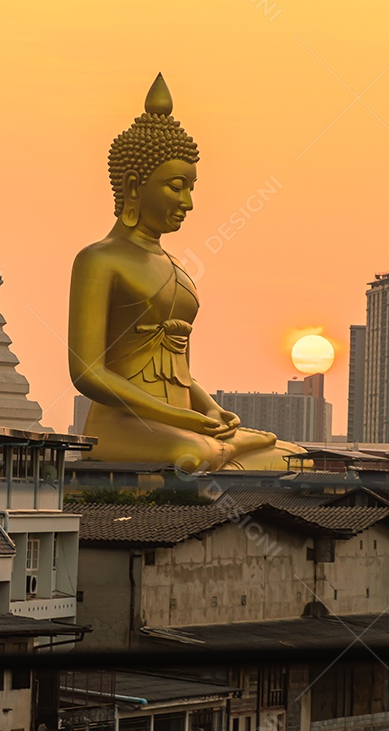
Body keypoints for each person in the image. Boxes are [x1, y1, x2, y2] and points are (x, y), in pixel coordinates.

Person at [68, 74, 303, 472]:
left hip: (184, 424)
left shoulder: (177, 267)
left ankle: (227, 446)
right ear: (133, 185)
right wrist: (180, 419)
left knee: (297, 458)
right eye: (176, 187)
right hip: (124, 424)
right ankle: (224, 448)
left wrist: (211, 410)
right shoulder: (98, 259)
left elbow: (182, 374)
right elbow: (88, 372)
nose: (188, 202)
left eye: (192, 188)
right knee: (193, 456)